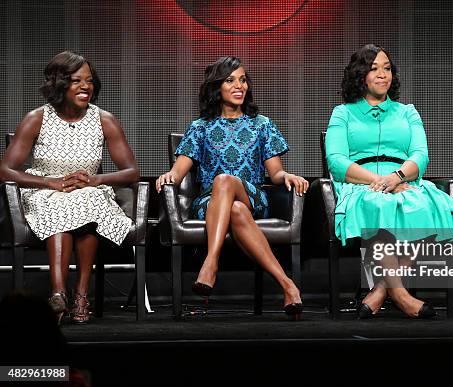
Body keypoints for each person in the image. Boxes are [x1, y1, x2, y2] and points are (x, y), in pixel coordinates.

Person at [156, 56, 308, 319]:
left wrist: (288, 176)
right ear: (217, 87)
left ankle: (210, 262)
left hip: (253, 197)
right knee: (234, 208)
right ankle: (288, 285)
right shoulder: (200, 128)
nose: (239, 85)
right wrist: (167, 176)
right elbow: (178, 171)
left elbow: (275, 173)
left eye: (242, 79)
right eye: (230, 80)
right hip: (210, 204)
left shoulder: (262, 125)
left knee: (225, 181)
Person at [0, 51, 140, 324]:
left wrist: (96, 180)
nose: (85, 86)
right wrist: (49, 182)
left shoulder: (105, 120)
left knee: (87, 202)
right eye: (77, 81)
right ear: (59, 83)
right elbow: (5, 169)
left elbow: (132, 171)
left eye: (89, 81)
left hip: (88, 188)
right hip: (44, 190)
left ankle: (80, 295)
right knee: (60, 204)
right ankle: (59, 293)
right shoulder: (37, 118)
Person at [325, 44, 453, 319]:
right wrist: (381, 181)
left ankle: (382, 289)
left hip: (404, 180)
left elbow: (421, 155)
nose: (382, 75)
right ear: (360, 75)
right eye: (374, 69)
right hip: (361, 182)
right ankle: (401, 295)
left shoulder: (407, 112)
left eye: (386, 69)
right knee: (379, 203)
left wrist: (396, 177)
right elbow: (337, 161)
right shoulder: (343, 113)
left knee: (425, 203)